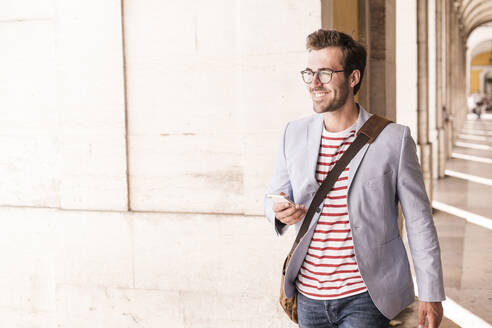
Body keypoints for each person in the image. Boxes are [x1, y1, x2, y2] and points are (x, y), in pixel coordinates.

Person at [264, 29, 445, 328]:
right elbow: (274, 194)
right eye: (309, 73)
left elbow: (419, 221)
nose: (314, 83)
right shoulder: (292, 134)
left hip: (365, 295)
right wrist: (278, 211)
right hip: (308, 296)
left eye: (325, 73)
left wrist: (431, 292)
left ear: (353, 78)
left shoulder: (394, 140)